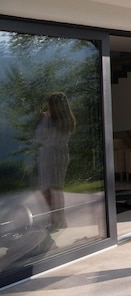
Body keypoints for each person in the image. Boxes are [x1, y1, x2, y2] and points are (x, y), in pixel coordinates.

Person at [35, 92, 76, 230]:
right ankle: (60, 220)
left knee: (47, 189)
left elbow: (40, 137)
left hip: (49, 156)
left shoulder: (48, 120)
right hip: (62, 155)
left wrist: (43, 120)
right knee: (58, 189)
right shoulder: (67, 120)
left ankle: (55, 221)